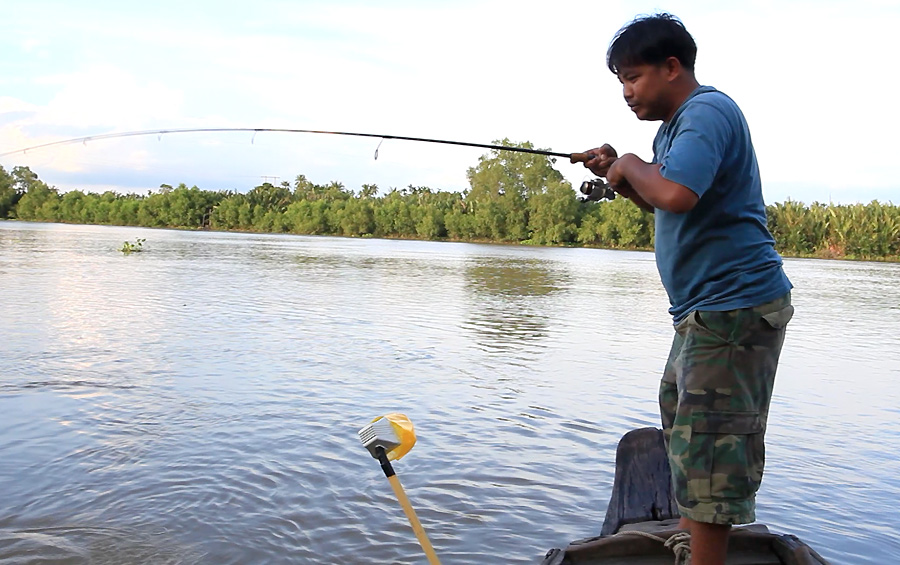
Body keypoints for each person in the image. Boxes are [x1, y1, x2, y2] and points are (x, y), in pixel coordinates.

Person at [579, 13, 795, 565]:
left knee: (711, 445)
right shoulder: (673, 129)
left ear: (671, 67)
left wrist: (630, 162)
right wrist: (624, 175)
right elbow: (659, 200)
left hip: (734, 308)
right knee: (685, 423)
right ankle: (692, 540)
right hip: (705, 313)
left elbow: (677, 194)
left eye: (633, 77)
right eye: (621, 82)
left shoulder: (705, 113)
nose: (626, 92)